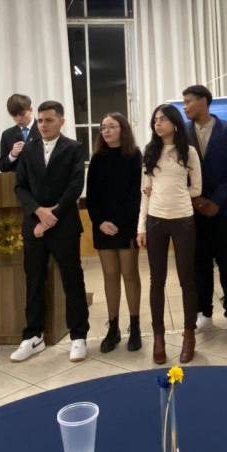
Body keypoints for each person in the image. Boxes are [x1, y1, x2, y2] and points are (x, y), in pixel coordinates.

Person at [10, 101, 90, 364]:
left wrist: (51, 216)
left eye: (49, 120)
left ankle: (78, 335)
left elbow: (75, 185)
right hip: (34, 224)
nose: (43, 125)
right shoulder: (28, 149)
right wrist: (38, 212)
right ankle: (33, 336)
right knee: (34, 280)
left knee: (72, 279)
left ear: (61, 121)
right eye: (41, 120)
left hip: (63, 224)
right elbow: (20, 187)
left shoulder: (74, 148)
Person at [137, 104, 202, 365]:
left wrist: (176, 194)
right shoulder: (150, 151)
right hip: (155, 220)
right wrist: (141, 226)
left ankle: (189, 336)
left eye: (163, 119)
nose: (158, 123)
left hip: (183, 219)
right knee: (157, 281)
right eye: (155, 120)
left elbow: (197, 188)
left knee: (187, 279)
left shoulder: (189, 152)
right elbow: (145, 192)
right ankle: (159, 338)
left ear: (175, 123)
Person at [182, 85, 227, 339]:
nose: (185, 107)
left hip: (225, 209)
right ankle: (204, 313)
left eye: (189, 101)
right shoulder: (182, 133)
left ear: (204, 101)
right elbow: (180, 171)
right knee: (200, 263)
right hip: (193, 210)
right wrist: (196, 200)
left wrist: (216, 201)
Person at [86, 112, 143, 353]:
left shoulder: (134, 155)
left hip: (126, 224)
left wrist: (118, 222)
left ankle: (135, 326)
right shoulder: (97, 158)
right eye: (103, 127)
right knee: (110, 275)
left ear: (123, 129)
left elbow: (135, 194)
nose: (106, 131)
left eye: (111, 126)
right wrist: (100, 222)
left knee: (129, 274)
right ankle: (113, 328)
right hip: (102, 226)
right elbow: (92, 196)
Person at [0, 93, 40, 173]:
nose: (18, 119)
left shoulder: (44, 129)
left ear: (30, 109)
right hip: (17, 180)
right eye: (14, 116)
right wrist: (12, 155)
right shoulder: (7, 135)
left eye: (22, 114)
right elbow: (2, 167)